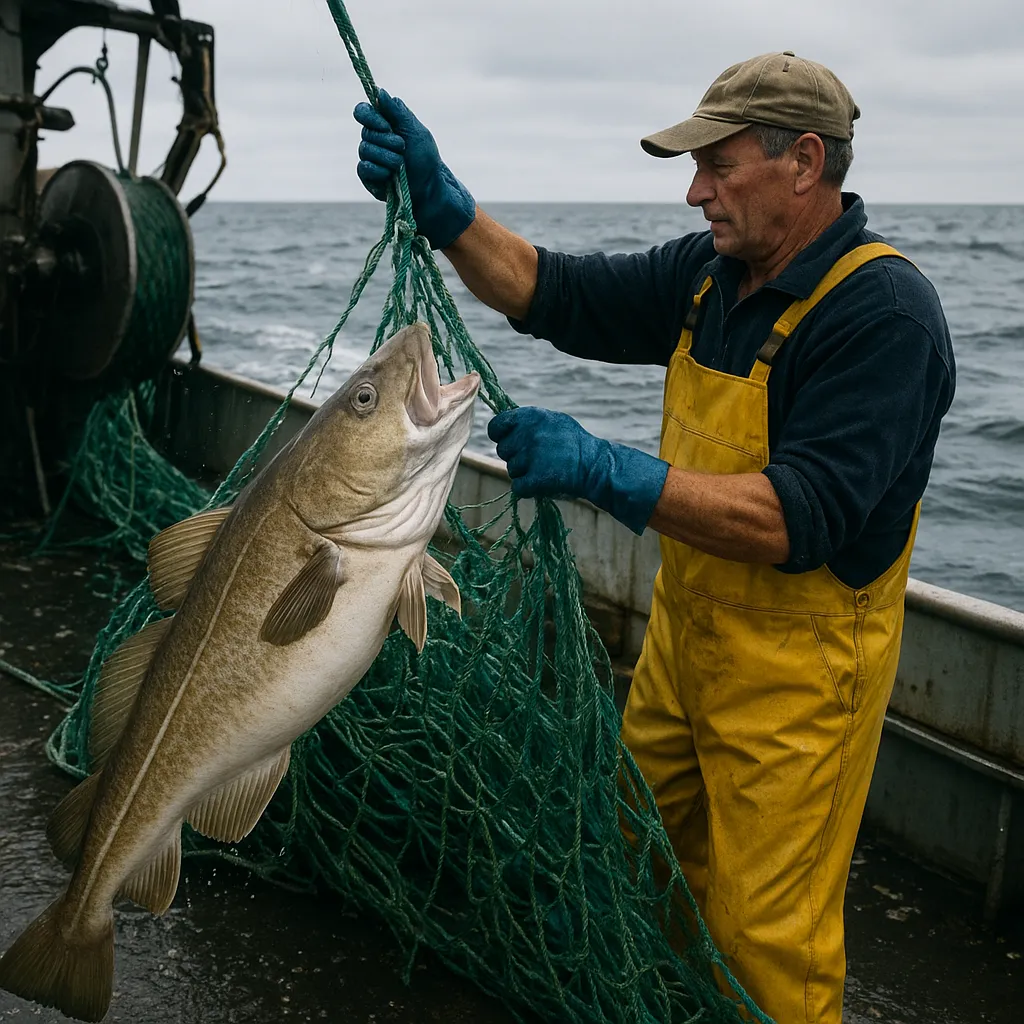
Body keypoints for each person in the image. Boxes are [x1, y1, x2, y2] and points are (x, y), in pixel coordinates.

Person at [353, 51, 955, 1023]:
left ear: (803, 162)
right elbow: (555, 294)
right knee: (635, 857)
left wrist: (608, 470)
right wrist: (445, 209)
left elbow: (795, 516)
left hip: (802, 681)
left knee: (765, 941)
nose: (694, 191)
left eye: (717, 168)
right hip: (684, 641)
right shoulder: (709, 277)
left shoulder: (882, 316)